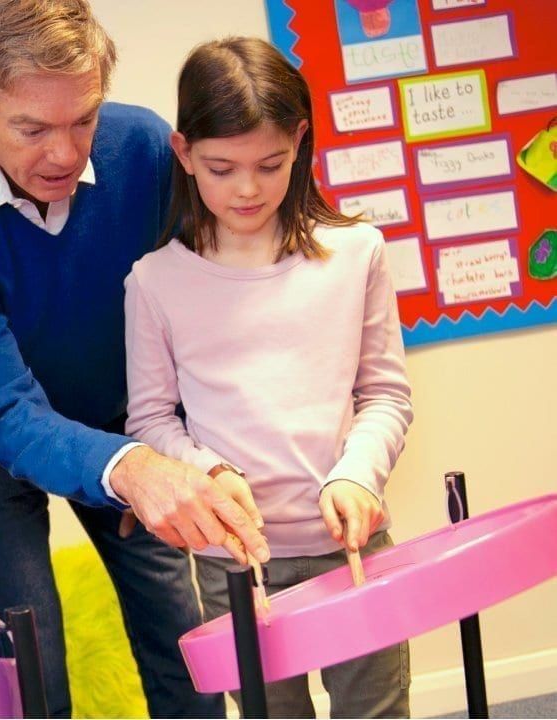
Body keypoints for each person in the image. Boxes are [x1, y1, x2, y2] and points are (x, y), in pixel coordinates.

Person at [0, 2, 269, 716]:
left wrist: (178, 445)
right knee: (33, 661)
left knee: (181, 637)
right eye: (33, 128)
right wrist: (132, 469)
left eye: (82, 120)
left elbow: (200, 298)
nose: (65, 153)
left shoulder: (147, 150)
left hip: (126, 420)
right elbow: (6, 409)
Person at [124, 37, 414, 718]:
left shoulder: (356, 253)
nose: (247, 188)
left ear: (300, 143)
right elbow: (151, 423)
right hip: (235, 566)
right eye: (222, 168)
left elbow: (385, 395)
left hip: (352, 551)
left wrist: (357, 475)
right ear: (183, 152)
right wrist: (211, 474)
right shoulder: (155, 282)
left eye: (270, 164)